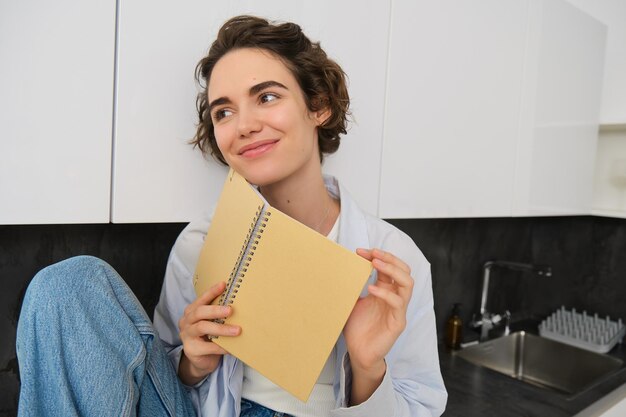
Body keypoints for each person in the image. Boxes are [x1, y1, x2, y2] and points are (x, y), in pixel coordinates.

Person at [16, 15, 446, 417]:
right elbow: (159, 382)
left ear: (319, 106)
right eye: (224, 111)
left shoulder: (391, 260)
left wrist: (368, 368)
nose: (244, 125)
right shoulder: (201, 242)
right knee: (66, 284)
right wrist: (192, 363)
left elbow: (422, 404)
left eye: (267, 96)